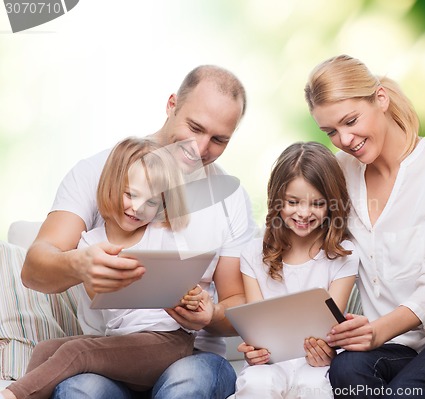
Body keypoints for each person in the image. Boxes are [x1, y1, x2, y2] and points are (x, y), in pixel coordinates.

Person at [21, 66, 257, 399]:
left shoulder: (229, 197)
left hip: (191, 356)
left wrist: (208, 314)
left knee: (191, 383)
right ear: (172, 104)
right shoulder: (99, 173)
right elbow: (34, 269)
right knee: (79, 389)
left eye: (218, 140)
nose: (201, 148)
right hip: (110, 357)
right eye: (195, 127)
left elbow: (236, 305)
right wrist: (79, 265)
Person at [304, 54, 425, 398]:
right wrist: (299, 336)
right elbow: (319, 254)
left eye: (351, 121)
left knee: (409, 390)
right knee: (346, 368)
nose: (345, 139)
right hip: (400, 342)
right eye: (331, 131)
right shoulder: (341, 173)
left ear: (381, 98)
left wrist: (377, 332)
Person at [1, 137, 208, 399]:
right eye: (130, 194)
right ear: (111, 185)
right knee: (45, 349)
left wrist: (193, 298)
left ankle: (12, 395)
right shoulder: (90, 242)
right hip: (122, 342)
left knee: (76, 352)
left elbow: (185, 286)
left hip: (167, 341)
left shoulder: (164, 234)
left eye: (152, 202)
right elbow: (99, 302)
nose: (137, 207)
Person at [234, 142, 359, 399]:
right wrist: (254, 351)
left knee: (315, 389)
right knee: (258, 384)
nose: (303, 213)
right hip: (269, 363)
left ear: (331, 204)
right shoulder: (252, 253)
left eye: (317, 203)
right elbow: (257, 330)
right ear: (278, 201)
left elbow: (330, 330)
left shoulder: (343, 254)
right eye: (293, 202)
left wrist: (325, 351)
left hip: (316, 363)